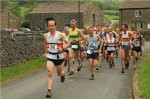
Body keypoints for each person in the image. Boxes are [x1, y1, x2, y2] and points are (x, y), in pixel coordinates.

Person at [43, 19, 70, 98]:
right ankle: (49, 91)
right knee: (49, 73)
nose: (50, 27)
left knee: (59, 73)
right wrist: (46, 51)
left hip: (59, 57)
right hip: (50, 56)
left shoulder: (60, 35)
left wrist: (63, 48)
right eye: (49, 26)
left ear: (55, 26)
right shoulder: (46, 35)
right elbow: (45, 43)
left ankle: (62, 74)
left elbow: (68, 43)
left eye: (52, 26)